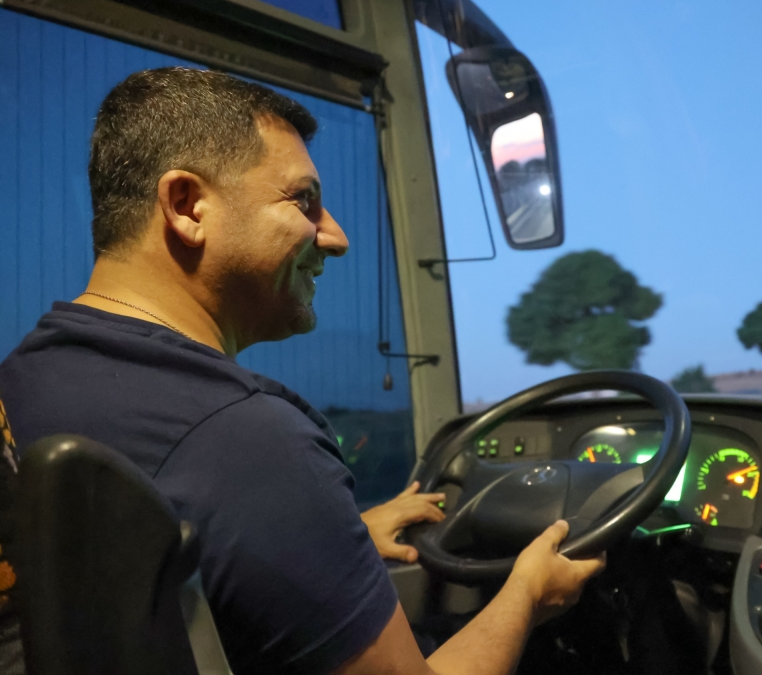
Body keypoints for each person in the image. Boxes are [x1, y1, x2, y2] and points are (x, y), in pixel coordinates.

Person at [0, 68, 603, 675]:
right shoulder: (248, 441)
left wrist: (327, 536)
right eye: (304, 200)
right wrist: (528, 594)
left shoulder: (26, 377)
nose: (335, 238)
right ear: (187, 206)